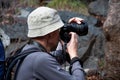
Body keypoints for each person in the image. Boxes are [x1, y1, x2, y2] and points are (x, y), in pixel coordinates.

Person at [16, 6, 85, 80]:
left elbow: (57, 57)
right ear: (50, 34)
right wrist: (74, 55)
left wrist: (67, 30)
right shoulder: (40, 60)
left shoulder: (28, 51)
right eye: (58, 31)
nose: (59, 35)